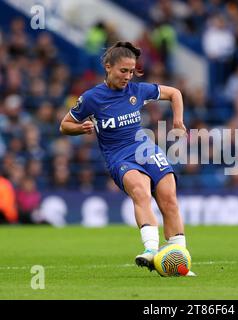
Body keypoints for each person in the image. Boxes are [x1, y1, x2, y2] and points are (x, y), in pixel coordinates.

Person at [60, 41, 195, 275]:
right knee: (141, 192)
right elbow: (64, 125)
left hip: (146, 150)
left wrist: (177, 120)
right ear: (108, 67)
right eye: (123, 71)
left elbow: (175, 93)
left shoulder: (137, 90)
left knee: (169, 198)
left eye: (131, 71)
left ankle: (179, 261)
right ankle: (151, 251)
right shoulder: (92, 98)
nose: (128, 76)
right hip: (119, 157)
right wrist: (79, 128)